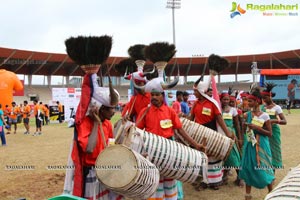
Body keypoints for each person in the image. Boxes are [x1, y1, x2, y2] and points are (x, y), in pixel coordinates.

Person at [136, 87, 206, 200]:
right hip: (151, 152)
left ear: (162, 96)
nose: (154, 97)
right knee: (154, 180)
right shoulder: (145, 112)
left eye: (157, 95)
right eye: (152, 95)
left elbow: (181, 130)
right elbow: (137, 132)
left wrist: (196, 145)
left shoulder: (170, 111)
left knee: (170, 179)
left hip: (170, 152)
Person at [64, 73, 123, 199]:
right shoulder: (84, 124)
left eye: (114, 108)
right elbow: (89, 149)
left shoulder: (107, 124)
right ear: (99, 109)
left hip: (105, 171)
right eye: (110, 108)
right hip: (90, 172)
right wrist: (96, 123)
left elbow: (111, 146)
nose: (114, 112)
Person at [189, 78, 234, 191]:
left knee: (213, 157)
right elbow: (191, 118)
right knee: (202, 158)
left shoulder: (212, 104)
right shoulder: (195, 104)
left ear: (201, 91)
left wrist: (227, 133)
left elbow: (219, 118)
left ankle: (215, 181)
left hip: (212, 133)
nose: (194, 93)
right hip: (198, 134)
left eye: (195, 91)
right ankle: (204, 181)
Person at [239, 86, 274, 200]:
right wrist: (245, 127)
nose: (247, 103)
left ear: (257, 101)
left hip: (262, 145)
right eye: (247, 100)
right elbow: (245, 131)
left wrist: (257, 128)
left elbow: (269, 133)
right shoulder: (247, 115)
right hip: (250, 144)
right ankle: (248, 195)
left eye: (250, 101)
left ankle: (271, 192)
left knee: (263, 167)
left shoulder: (265, 116)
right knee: (249, 167)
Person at [261, 82, 287, 173]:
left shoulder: (277, 107)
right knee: (264, 149)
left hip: (274, 131)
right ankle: (266, 170)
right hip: (263, 131)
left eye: (265, 98)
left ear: (270, 96)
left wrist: (274, 121)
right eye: (262, 98)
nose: (264, 100)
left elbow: (284, 121)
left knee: (274, 150)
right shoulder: (262, 107)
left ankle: (273, 171)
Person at [219, 93, 244, 187]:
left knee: (234, 155)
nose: (226, 101)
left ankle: (240, 177)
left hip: (231, 135)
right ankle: (225, 176)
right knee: (224, 156)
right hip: (221, 135)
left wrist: (240, 138)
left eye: (227, 99)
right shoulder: (218, 110)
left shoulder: (233, 110)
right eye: (224, 99)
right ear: (220, 100)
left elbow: (237, 124)